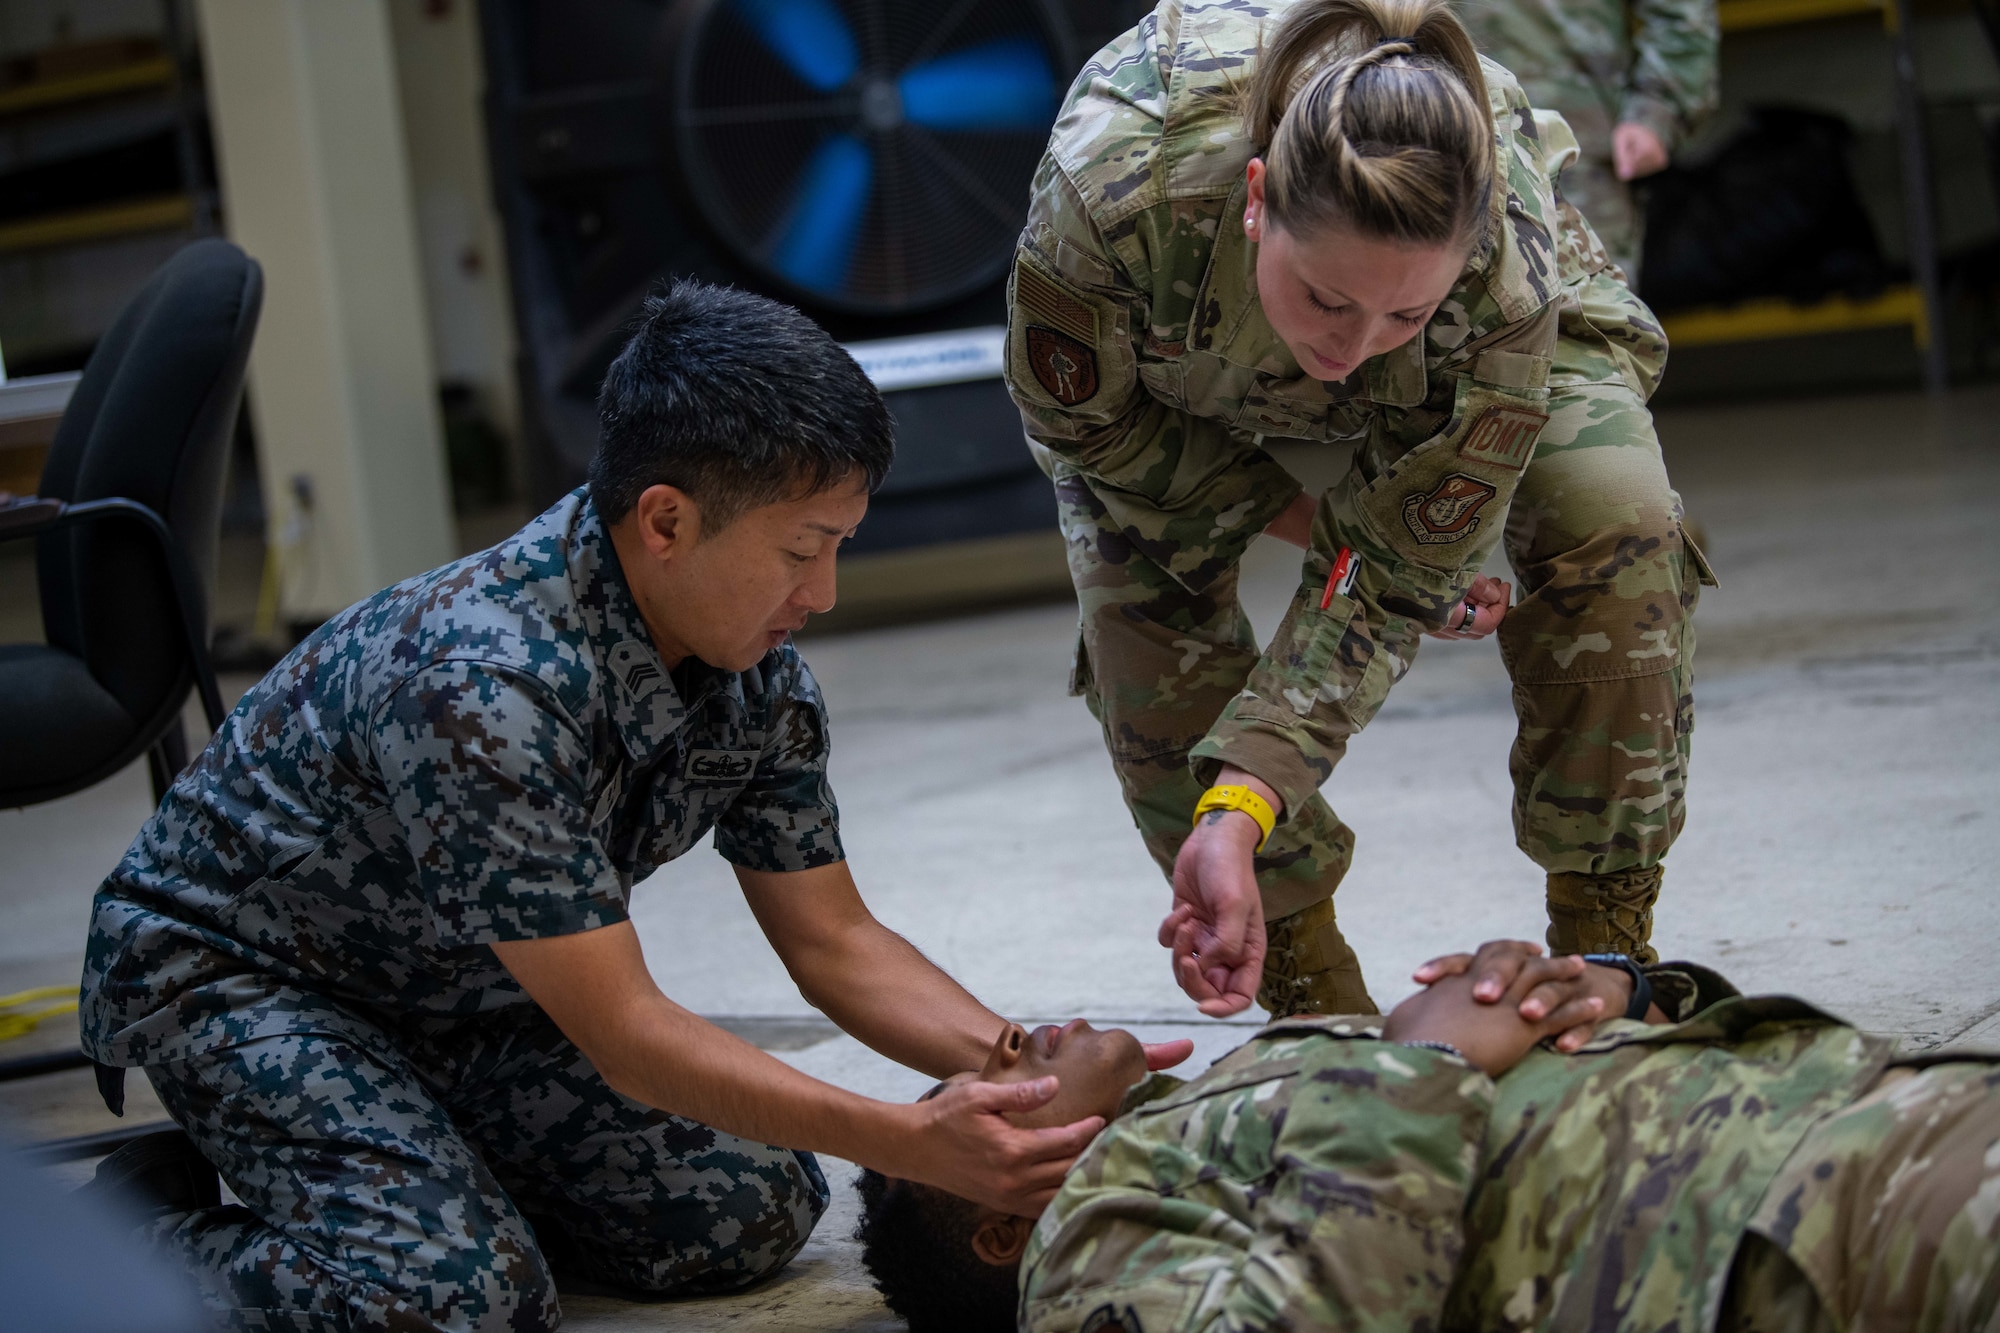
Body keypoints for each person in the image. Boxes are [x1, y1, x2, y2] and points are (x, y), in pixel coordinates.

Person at [77, 282, 1188, 1331]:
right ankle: (117, 1234)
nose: (824, 594)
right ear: (663, 521)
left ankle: (404, 1164)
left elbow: (835, 939)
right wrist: (909, 1138)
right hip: (245, 983)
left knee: (745, 1211)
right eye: (803, 550)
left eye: (839, 546)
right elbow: (625, 1035)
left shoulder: (750, 674)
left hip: (466, 995)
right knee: (456, 1301)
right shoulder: (485, 684)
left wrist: (1026, 1068)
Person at [1004, 0, 1717, 1020]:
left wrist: (1415, 535)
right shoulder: (1108, 198)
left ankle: (1603, 960)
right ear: (1257, 200)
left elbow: (1381, 580)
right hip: (1176, 379)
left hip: (1471, 355)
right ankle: (1307, 994)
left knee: (1614, 519)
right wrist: (1305, 519)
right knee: (1144, 641)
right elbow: (1094, 433)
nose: (1353, 348)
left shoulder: (1499, 265)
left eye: (1401, 313)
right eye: (1326, 299)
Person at [856, 940, 2000, 1333]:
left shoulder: (1223, 1096)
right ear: (999, 1229)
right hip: (1823, 1231)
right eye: (964, 1091)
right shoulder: (1085, 1260)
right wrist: (1428, 1061)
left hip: (1880, 1115)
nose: (998, 1042)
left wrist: (1622, 989)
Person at [1463, 0, 1719, 283]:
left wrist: (1657, 112)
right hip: (1444, 150)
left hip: (1578, 158)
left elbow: (1681, 11)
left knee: (1587, 310)